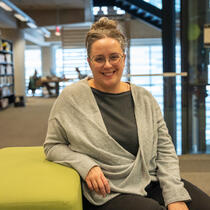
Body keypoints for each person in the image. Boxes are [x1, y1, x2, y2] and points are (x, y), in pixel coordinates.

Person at [44, 17, 210, 210]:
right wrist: (86, 165)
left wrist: (174, 196)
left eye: (114, 57)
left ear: (124, 57)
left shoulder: (145, 98)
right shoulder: (71, 98)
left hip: (150, 179)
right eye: (99, 59)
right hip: (108, 191)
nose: (107, 65)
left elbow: (164, 150)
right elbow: (52, 146)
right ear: (89, 62)